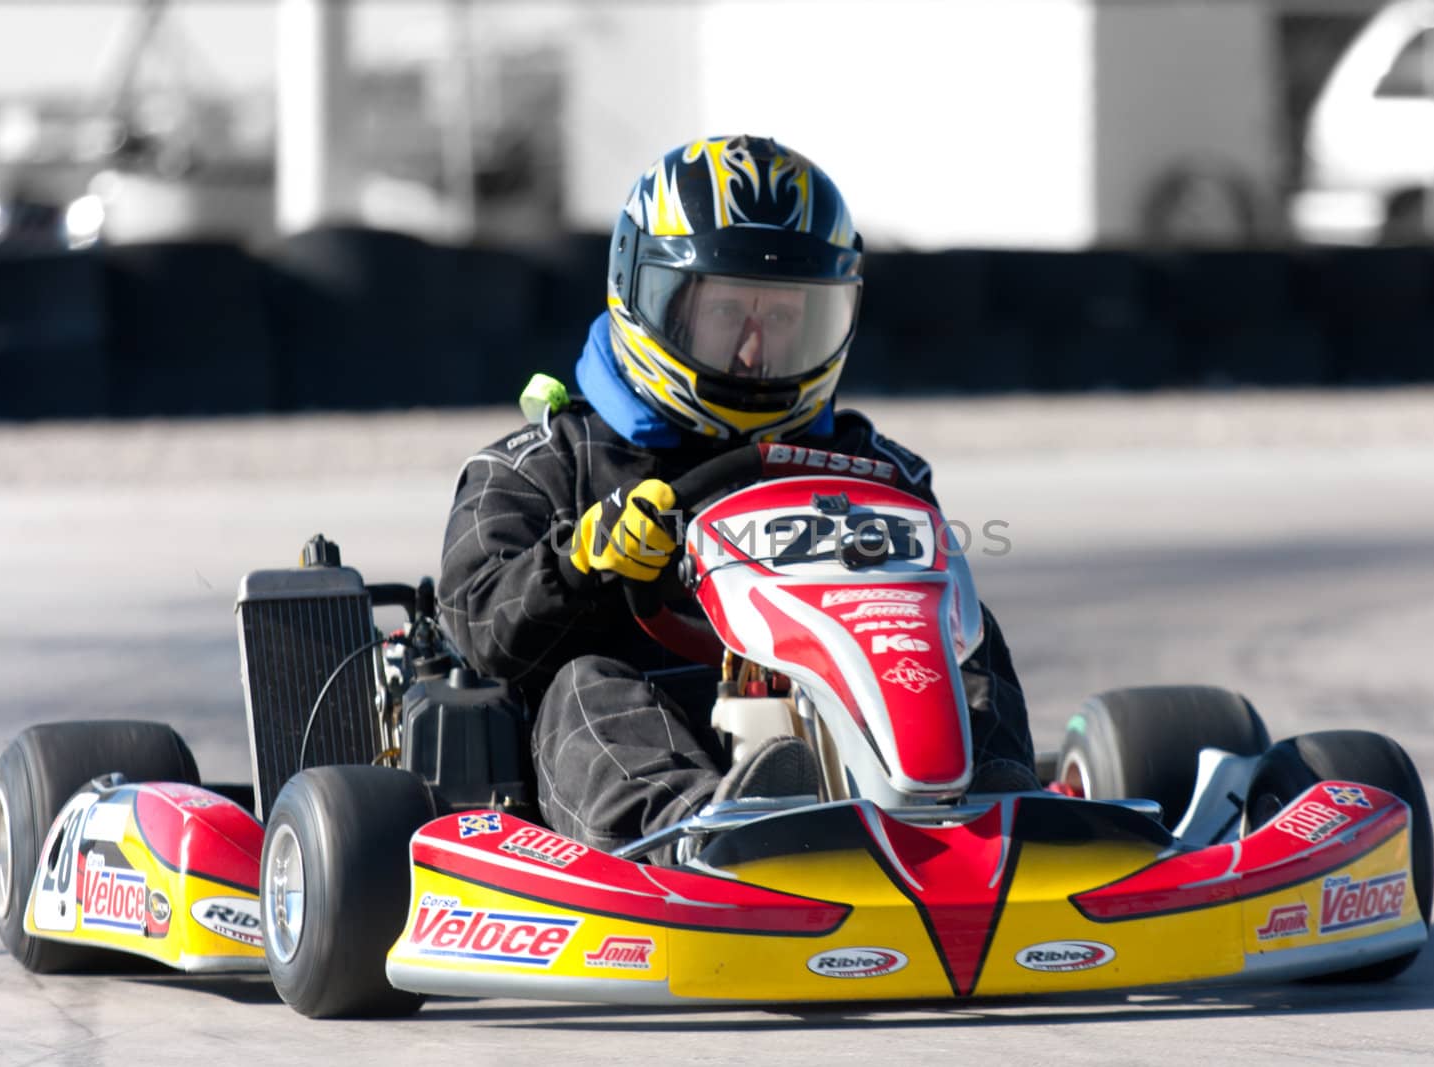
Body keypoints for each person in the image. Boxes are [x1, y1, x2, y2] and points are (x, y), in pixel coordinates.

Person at [437, 135, 1037, 857]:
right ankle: (697, 845)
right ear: (648, 293)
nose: (755, 353)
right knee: (585, 681)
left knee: (964, 628)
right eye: (728, 316)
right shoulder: (543, 463)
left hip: (832, 723)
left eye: (784, 319)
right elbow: (476, 627)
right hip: (633, 740)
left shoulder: (870, 469)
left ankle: (991, 819)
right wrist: (580, 564)